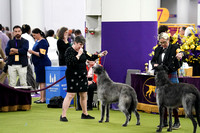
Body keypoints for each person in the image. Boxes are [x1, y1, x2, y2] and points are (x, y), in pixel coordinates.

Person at [60, 36, 108, 121]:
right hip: (72, 76)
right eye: (80, 44)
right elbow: (70, 63)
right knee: (70, 95)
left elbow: (91, 57)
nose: (81, 47)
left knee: (84, 95)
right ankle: (63, 115)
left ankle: (85, 113)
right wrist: (78, 54)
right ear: (75, 43)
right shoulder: (69, 51)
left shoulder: (83, 51)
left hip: (82, 76)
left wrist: (101, 54)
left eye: (82, 45)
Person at [151, 32, 185, 130]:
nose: (162, 45)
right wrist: (154, 65)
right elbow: (153, 60)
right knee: (161, 100)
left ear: (168, 40)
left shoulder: (174, 47)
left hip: (171, 74)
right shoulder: (157, 49)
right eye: (160, 43)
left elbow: (182, 52)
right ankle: (164, 122)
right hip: (160, 77)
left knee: (173, 98)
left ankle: (177, 122)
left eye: (164, 42)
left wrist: (181, 54)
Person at [28, 28, 51, 103]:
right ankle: (41, 97)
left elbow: (42, 54)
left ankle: (43, 98)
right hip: (38, 64)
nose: (34, 37)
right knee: (40, 81)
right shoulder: (37, 41)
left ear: (38, 34)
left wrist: (32, 52)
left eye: (34, 35)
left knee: (42, 81)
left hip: (42, 63)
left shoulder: (43, 42)